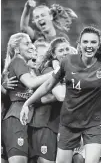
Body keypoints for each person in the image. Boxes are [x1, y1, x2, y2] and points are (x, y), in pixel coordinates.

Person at [20, 26, 101, 163]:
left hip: (94, 124)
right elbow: (48, 85)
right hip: (69, 124)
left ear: (99, 44)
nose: (89, 45)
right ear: (79, 44)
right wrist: (27, 103)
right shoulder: (68, 62)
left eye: (93, 42)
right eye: (85, 42)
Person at [1, 33, 53, 163]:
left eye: (31, 43)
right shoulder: (18, 60)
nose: (32, 46)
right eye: (27, 43)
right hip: (16, 117)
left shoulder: (28, 68)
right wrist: (58, 71)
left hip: (27, 119)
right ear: (17, 49)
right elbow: (31, 83)